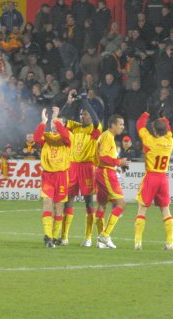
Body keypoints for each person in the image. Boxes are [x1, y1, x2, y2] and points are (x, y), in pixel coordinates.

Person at [63, 91, 102, 247]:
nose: (82, 117)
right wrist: (69, 103)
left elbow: (96, 119)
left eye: (85, 114)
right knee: (68, 202)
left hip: (87, 168)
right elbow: (61, 120)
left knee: (88, 203)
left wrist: (85, 102)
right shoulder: (75, 127)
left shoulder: (94, 130)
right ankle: (64, 236)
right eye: (81, 114)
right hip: (72, 166)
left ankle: (88, 238)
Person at [134, 111, 173, 250]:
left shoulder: (150, 142)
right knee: (165, 210)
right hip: (163, 178)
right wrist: (164, 117)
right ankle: (170, 242)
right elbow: (168, 128)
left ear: (154, 130)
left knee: (142, 209)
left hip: (151, 177)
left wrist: (145, 113)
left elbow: (139, 126)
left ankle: (138, 242)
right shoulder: (170, 141)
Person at [33, 106, 71, 248]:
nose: (55, 126)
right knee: (48, 204)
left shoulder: (67, 139)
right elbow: (37, 138)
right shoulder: (47, 138)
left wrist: (56, 119)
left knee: (59, 207)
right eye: (53, 124)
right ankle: (48, 237)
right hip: (48, 176)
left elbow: (65, 136)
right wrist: (44, 122)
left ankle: (55, 236)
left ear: (63, 126)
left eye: (58, 123)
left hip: (61, 176)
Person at [95, 114, 130, 249]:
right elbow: (103, 157)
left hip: (101, 172)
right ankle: (105, 234)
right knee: (121, 204)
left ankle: (100, 240)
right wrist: (118, 162)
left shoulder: (106, 136)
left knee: (102, 205)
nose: (122, 127)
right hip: (106, 173)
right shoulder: (108, 137)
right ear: (113, 125)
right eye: (120, 124)